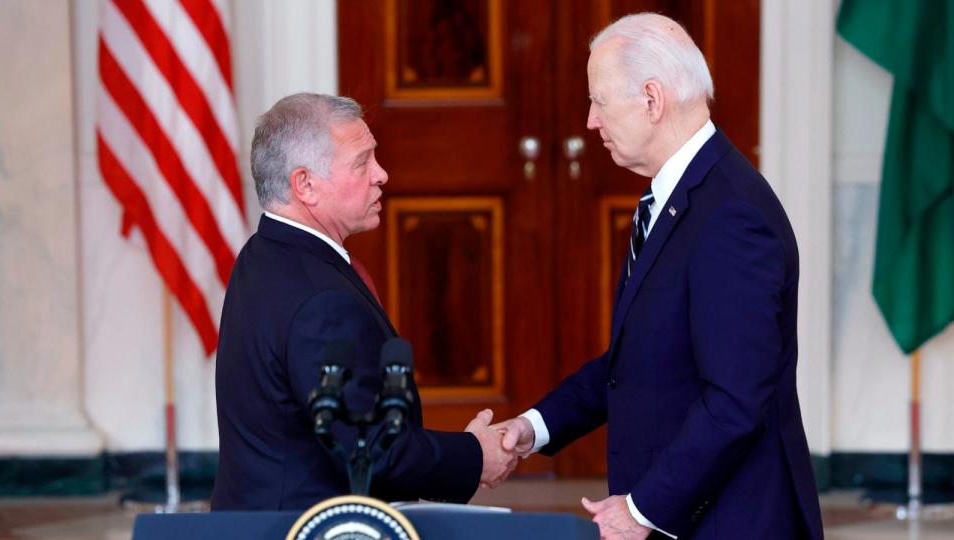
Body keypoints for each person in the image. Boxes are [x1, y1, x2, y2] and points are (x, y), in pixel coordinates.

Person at [495, 13, 823, 540]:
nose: (590, 122)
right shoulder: (675, 198)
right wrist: (533, 428)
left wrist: (643, 508)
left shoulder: (731, 216)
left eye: (598, 101)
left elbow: (735, 400)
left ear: (651, 100)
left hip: (732, 522)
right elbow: (637, 361)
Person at [211, 93, 515, 510]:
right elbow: (374, 451)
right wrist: (476, 455)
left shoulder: (263, 253)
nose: (382, 174)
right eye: (362, 162)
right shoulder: (321, 302)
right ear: (305, 185)